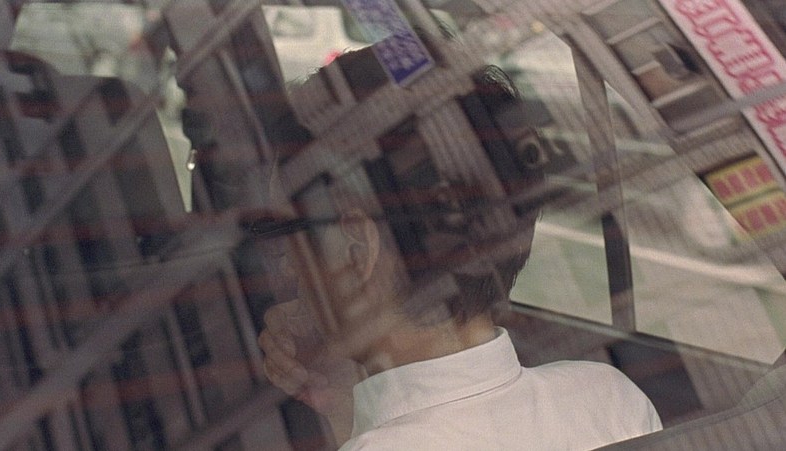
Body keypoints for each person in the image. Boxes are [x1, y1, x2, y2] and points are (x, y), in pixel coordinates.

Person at [256, 40, 662, 450]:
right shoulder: (611, 400)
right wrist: (348, 401)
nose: (287, 267)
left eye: (286, 235)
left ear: (357, 249)